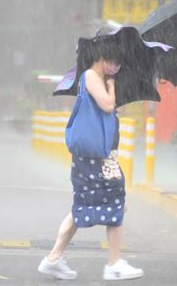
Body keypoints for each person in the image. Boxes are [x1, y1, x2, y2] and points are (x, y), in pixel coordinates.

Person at [38, 39, 144, 281]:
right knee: (115, 201)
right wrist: (113, 85)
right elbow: (107, 105)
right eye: (114, 62)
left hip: (98, 155)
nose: (116, 66)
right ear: (103, 58)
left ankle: (53, 258)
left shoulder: (95, 78)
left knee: (85, 205)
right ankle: (114, 263)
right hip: (98, 157)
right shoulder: (91, 76)